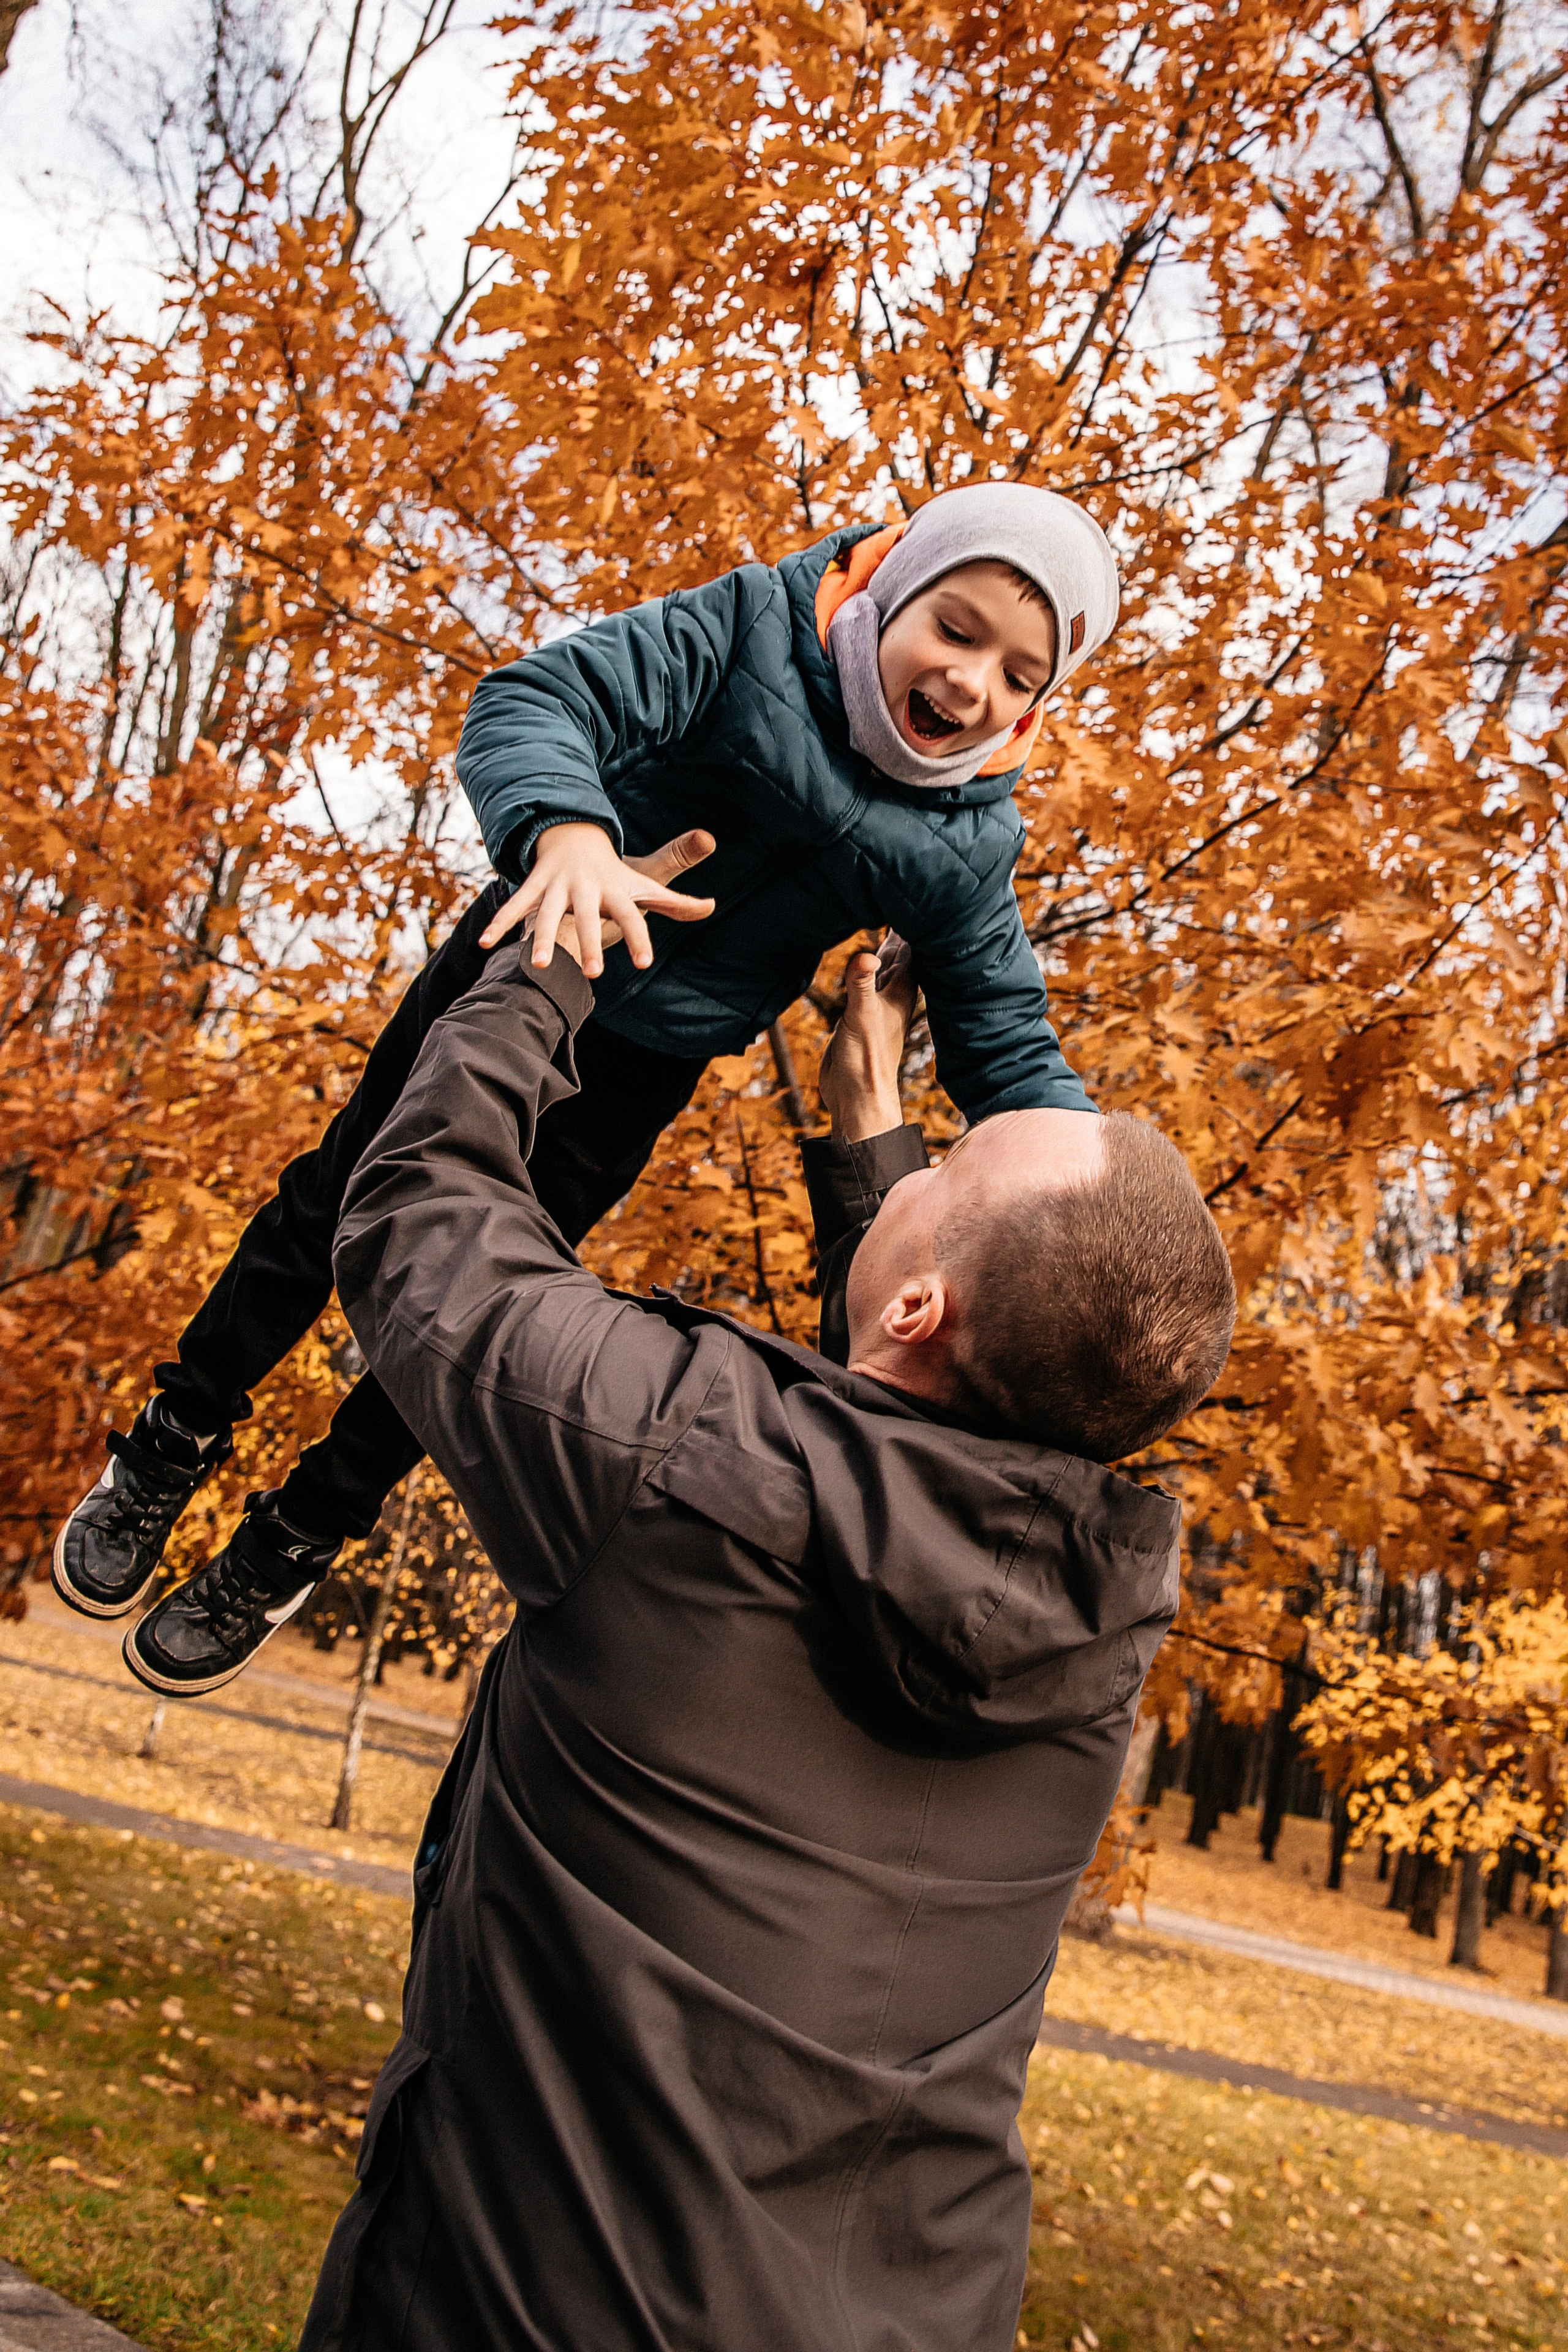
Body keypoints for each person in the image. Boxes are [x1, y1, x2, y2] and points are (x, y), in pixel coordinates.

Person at [297, 894, 1235, 2352]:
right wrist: (874, 1146)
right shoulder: (1098, 1630)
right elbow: (921, 1429)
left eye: (953, 1160)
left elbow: (419, 1218)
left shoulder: (664, 1458)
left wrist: (552, 955)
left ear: (919, 1305)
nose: (934, 1155)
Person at [53, 480, 1120, 1696]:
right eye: (956, 630)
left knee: (471, 1292)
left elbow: (1002, 1034)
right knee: (339, 1200)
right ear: (889, 589)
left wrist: (1092, 1176)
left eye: (1020, 675)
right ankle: (176, 1430)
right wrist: (567, 831)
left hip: (645, 1060)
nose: (972, 684)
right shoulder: (754, 628)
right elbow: (540, 697)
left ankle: (301, 1529)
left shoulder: (964, 839)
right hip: (532, 945)